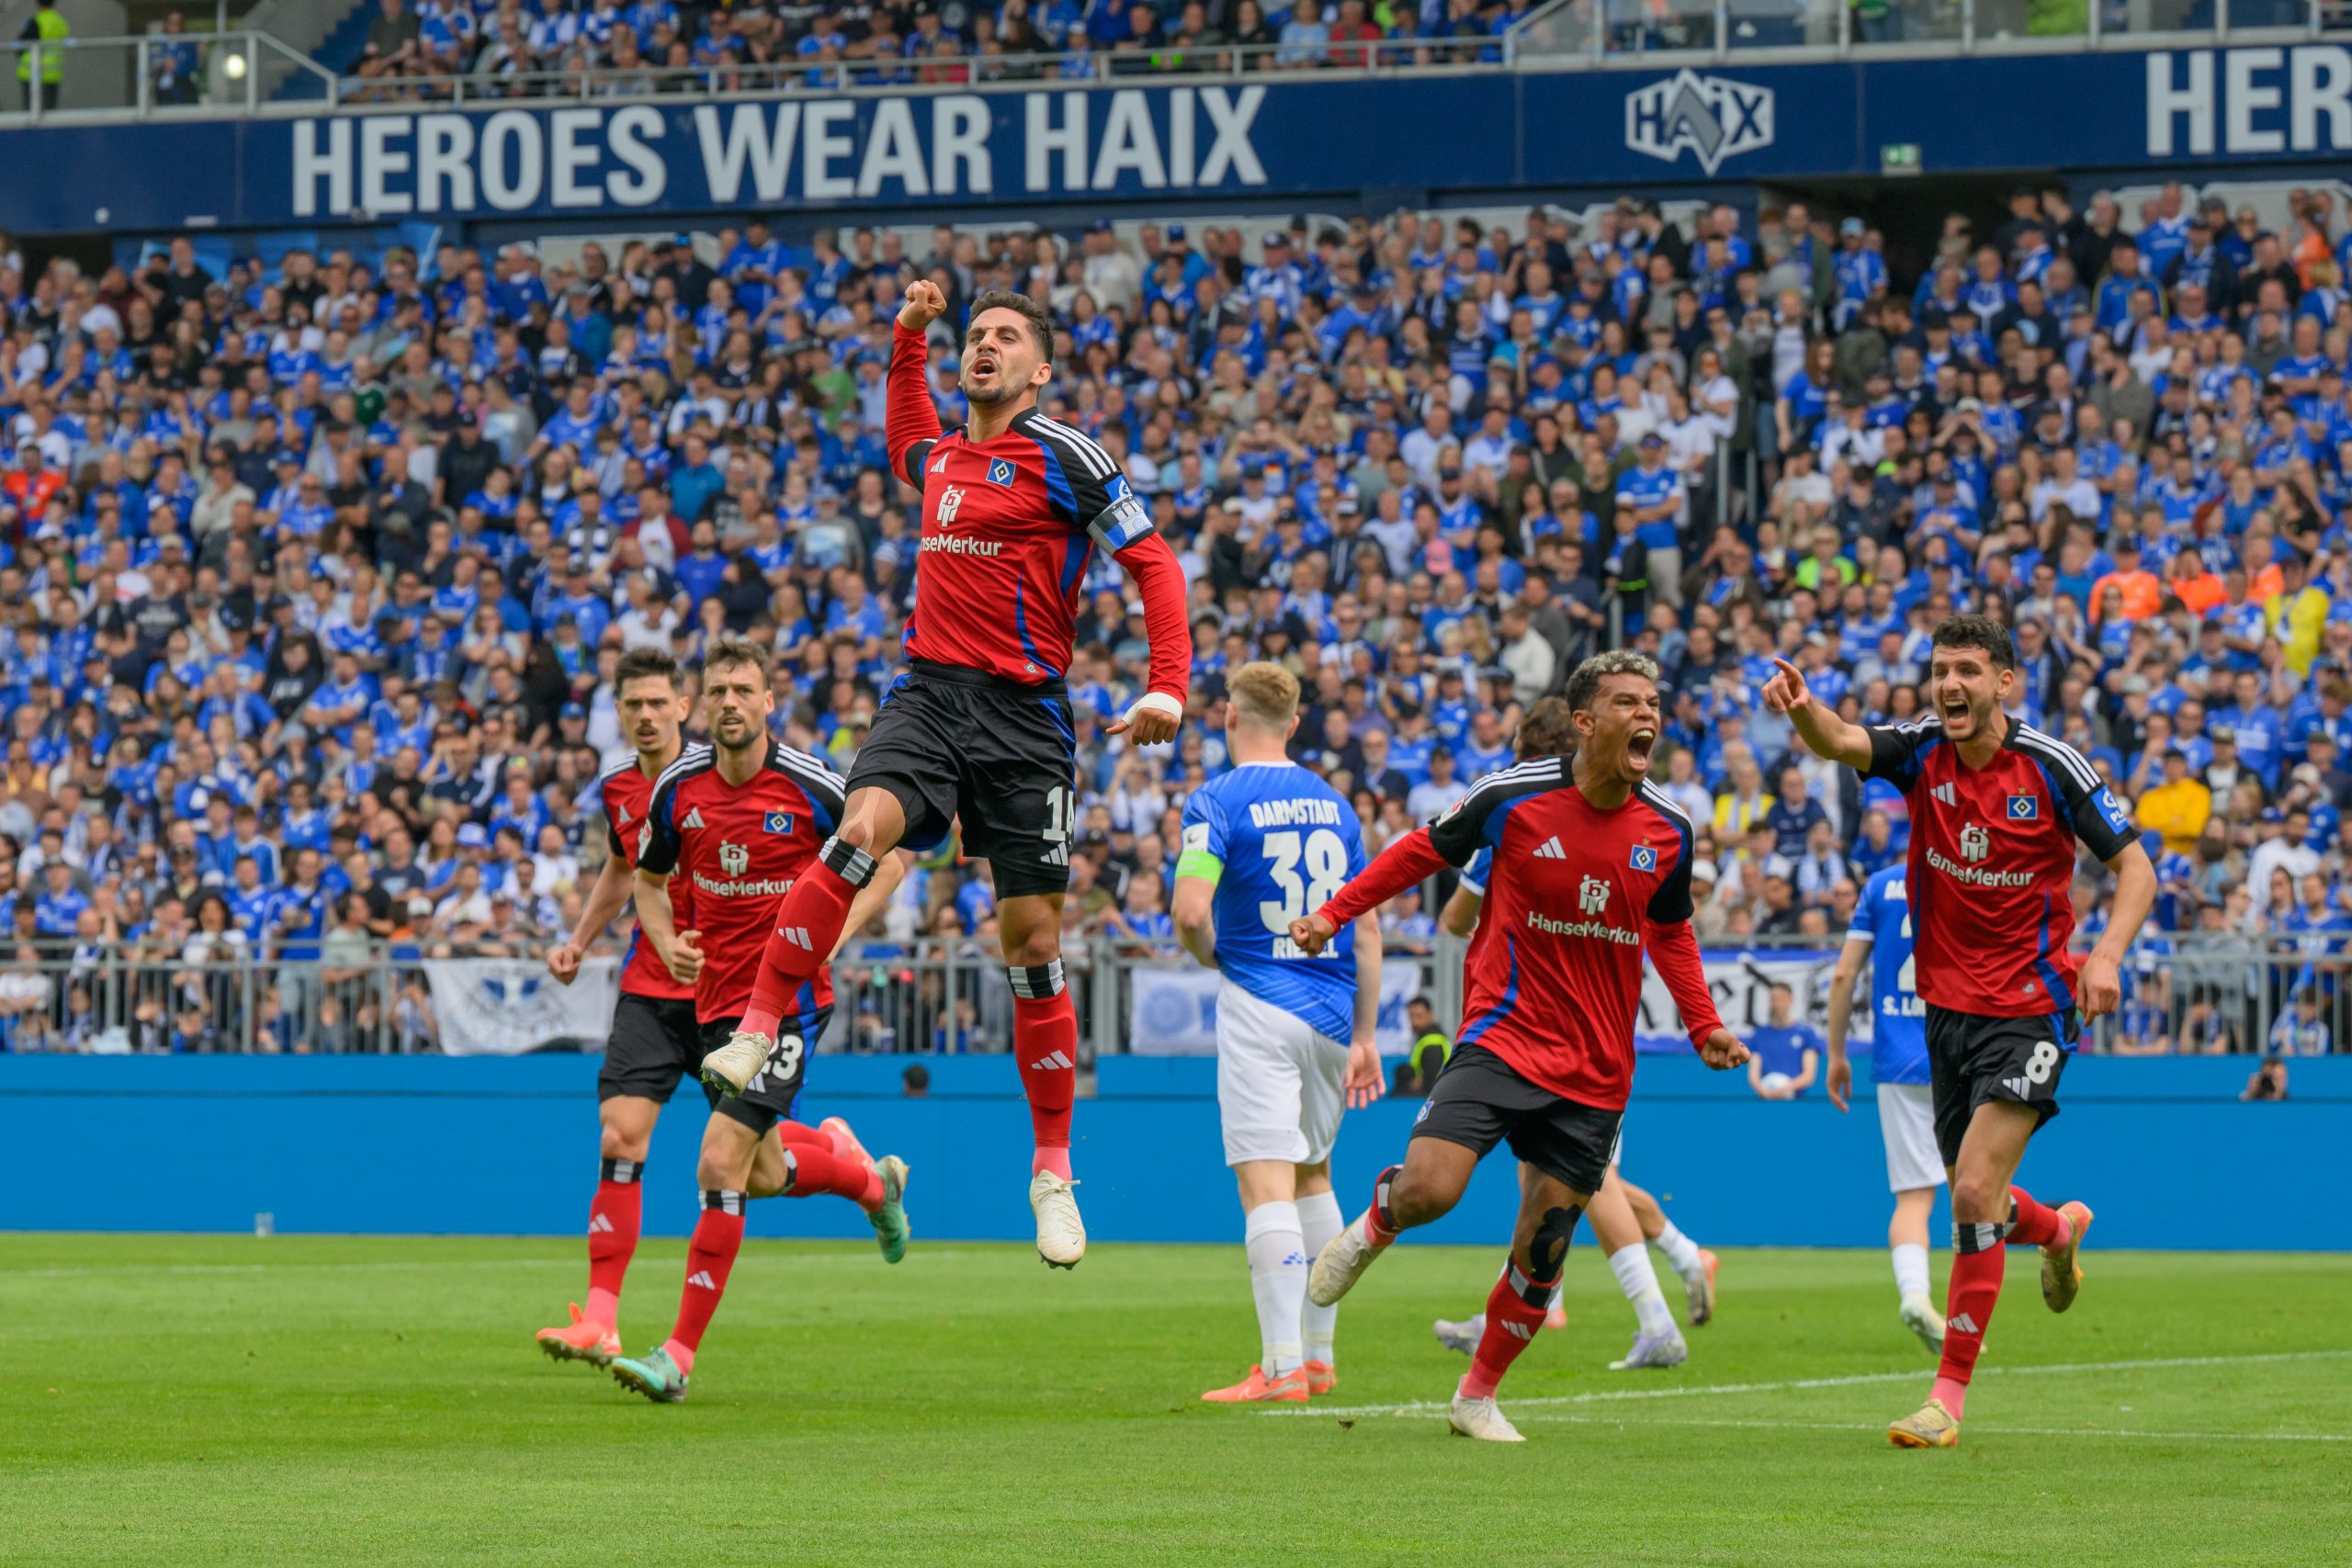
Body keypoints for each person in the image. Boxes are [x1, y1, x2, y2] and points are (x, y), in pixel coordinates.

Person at [705, 281, 1192, 1269]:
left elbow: (1154, 565)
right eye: (974, 337)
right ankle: (756, 1030)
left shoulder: (1068, 456)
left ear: (1039, 368)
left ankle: (1051, 1169)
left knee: (1031, 939)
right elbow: (903, 437)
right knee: (854, 833)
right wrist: (905, 337)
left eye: (1005, 338)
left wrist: (1167, 688)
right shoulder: (941, 458)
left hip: (1023, 717)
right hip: (927, 695)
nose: (985, 347)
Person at [1287, 652, 1750, 1442]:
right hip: (1503, 1038)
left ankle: (1476, 1395)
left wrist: (1703, 1022)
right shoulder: (1514, 797)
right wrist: (1334, 912)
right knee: (1432, 1189)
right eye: (1627, 703)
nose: (1647, 716)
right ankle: (1376, 1222)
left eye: (1654, 703)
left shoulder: (1669, 829)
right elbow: (1419, 851)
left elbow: (1670, 930)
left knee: (1543, 1246)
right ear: (1584, 721)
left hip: (1598, 1069)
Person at [1762, 614, 2154, 1450]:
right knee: (1980, 1193)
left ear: (2005, 682)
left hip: (2033, 1004)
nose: (1951, 685)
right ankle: (2055, 1228)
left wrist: (2108, 955)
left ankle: (1947, 1398)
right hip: (1946, 1013)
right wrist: (1801, 708)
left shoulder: (2051, 767)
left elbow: (2136, 867)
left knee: (1970, 1192)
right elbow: (1835, 737)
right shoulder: (1919, 751)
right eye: (1941, 669)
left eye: (1969, 670)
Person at [605, 637, 913, 1404]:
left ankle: (677, 1355)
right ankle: (866, 1179)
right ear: (702, 705)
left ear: (769, 700)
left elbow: (894, 860)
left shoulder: (811, 783)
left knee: (717, 1163)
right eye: (718, 692)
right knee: (765, 1172)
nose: (730, 703)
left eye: (744, 689)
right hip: (713, 1008)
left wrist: (839, 931)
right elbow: (647, 878)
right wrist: (665, 935)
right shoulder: (678, 787)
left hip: (786, 1009)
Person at [1427, 697, 1720, 1370]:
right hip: (1583, 1033)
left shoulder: (1526, 818)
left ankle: (1655, 1314)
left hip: (1563, 1038)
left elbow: (1452, 916)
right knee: (1547, 1179)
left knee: (1588, 1182)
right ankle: (1549, 1297)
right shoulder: (1614, 819)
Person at [1171, 661, 1384, 1405]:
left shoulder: (1216, 799)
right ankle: (1320, 1358)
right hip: (1331, 1012)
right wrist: (1365, 1033)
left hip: (1261, 1000)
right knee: (1313, 1174)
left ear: (1230, 718)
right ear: (1295, 724)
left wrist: (1217, 960)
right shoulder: (1336, 806)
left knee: (1265, 1180)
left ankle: (1283, 1364)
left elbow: (1192, 913)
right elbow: (1368, 929)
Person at [533, 648, 711, 1367]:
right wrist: (579, 938)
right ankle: (600, 1318)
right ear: (619, 712)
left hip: (727, 986)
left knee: (756, 1165)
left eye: (656, 702)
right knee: (620, 1136)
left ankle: (860, 1174)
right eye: (631, 704)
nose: (645, 715)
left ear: (682, 706)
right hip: (650, 982)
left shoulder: (714, 776)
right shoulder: (617, 789)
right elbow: (623, 867)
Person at [1824, 863, 1947, 1354]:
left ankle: (1916, 1293)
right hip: (1961, 1051)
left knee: (1914, 1198)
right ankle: (1963, 1317)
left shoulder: (1879, 885)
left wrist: (1836, 1055)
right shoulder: (1967, 870)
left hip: (1899, 1059)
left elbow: (1843, 974)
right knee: (1976, 1193)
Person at [1744, 982, 1822, 1100]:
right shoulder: (1759, 1034)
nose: (1777, 1003)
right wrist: (1763, 1089)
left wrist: (1786, 1088)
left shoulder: (1806, 1033)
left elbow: (1809, 1075)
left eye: (1781, 998)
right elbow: (1753, 1074)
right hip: (1766, 1100)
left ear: (1791, 1000)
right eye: (1773, 999)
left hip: (1796, 1102)